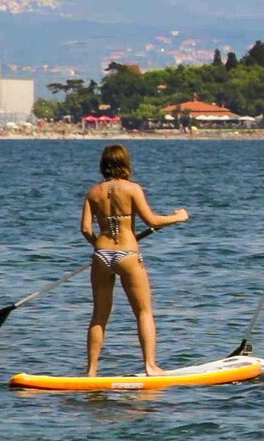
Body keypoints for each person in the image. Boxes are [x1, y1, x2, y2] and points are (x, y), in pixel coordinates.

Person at [80, 144, 189, 377]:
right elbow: (152, 220)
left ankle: (91, 371)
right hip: (128, 254)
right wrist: (178, 218)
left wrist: (100, 246)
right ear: (125, 164)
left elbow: (86, 229)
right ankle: (150, 365)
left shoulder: (92, 193)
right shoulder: (132, 189)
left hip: (101, 255)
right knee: (144, 312)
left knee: (99, 315)